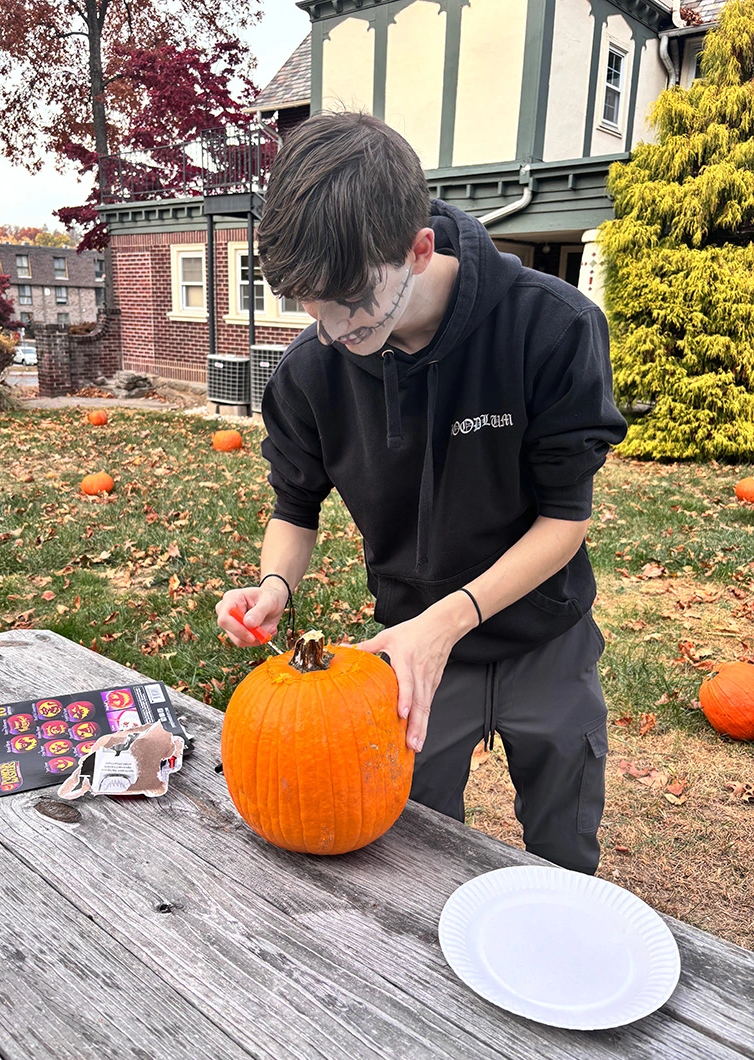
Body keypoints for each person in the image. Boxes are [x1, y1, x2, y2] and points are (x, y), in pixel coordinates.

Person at [216, 110, 627, 875]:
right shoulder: (311, 370)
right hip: (406, 649)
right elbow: (293, 505)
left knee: (565, 844)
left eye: (348, 305)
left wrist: (452, 619)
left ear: (419, 249)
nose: (331, 330)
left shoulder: (553, 328)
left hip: (546, 632)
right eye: (310, 306)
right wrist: (275, 583)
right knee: (414, 849)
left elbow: (565, 519)